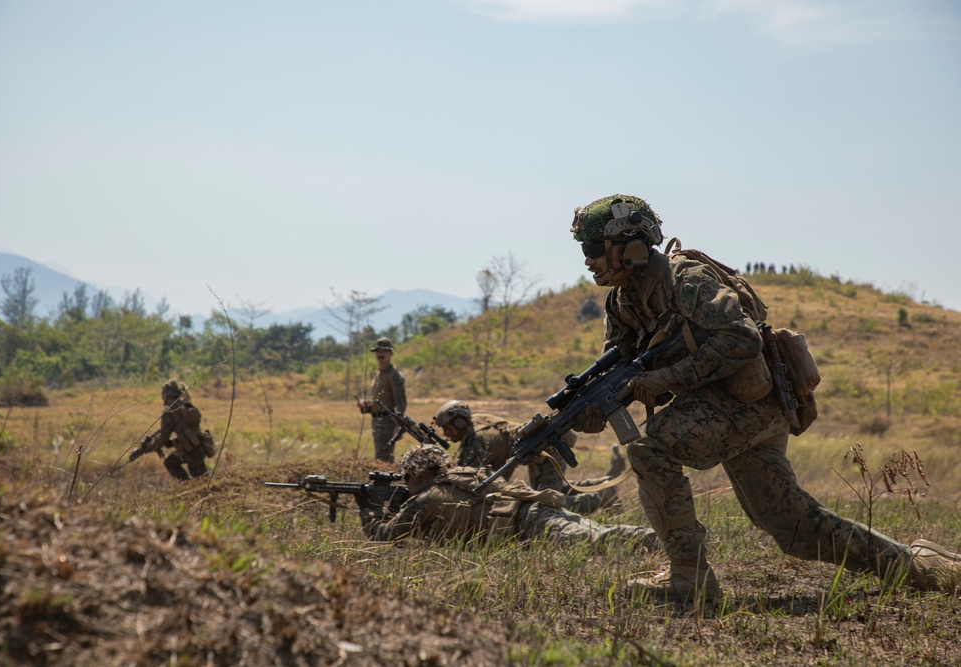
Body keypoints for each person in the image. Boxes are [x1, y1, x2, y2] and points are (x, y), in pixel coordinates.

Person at [568, 193, 961, 602]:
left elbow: (741, 338)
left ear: (631, 246)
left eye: (594, 249)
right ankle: (917, 565)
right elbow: (620, 372)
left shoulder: (686, 279)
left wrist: (668, 376)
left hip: (753, 401)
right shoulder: (623, 301)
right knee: (792, 526)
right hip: (729, 407)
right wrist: (592, 408)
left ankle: (689, 575)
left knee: (650, 447)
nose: (587, 260)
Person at [357, 444, 656, 549]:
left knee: (598, 540)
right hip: (533, 511)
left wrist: (368, 511)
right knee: (598, 533)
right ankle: (661, 537)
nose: (405, 484)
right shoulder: (462, 474)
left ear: (419, 474)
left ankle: (662, 539)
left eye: (407, 478)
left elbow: (387, 535)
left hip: (528, 524)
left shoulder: (424, 500)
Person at [432, 399, 625, 515]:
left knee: (549, 504)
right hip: (537, 448)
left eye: (447, 429)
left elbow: (474, 482)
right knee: (549, 490)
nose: (446, 435)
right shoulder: (477, 423)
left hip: (545, 449)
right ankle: (602, 485)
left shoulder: (475, 440)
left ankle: (599, 498)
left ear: (458, 422)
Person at [147, 380, 216, 481]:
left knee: (202, 481)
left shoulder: (169, 409)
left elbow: (165, 434)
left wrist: (155, 446)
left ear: (166, 394)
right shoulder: (185, 405)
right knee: (170, 462)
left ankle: (186, 485)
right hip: (198, 446)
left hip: (190, 450)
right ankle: (187, 485)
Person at [355, 337, 407, 463]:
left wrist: (398, 425)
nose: (380, 354)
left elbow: (401, 403)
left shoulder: (394, 375)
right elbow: (379, 401)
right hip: (376, 420)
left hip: (387, 421)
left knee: (384, 459)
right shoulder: (378, 374)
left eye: (384, 351)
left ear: (391, 353)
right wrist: (365, 405)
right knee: (380, 457)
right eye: (378, 351)